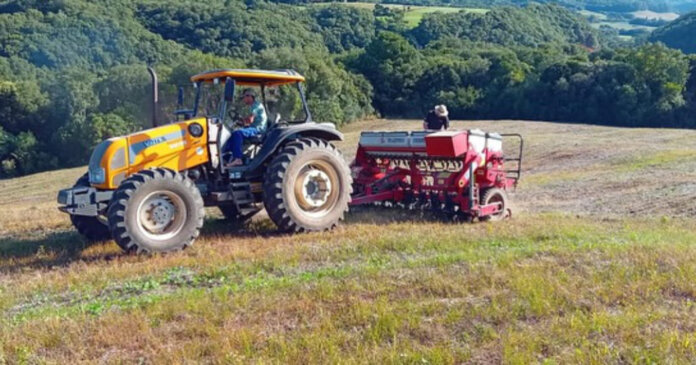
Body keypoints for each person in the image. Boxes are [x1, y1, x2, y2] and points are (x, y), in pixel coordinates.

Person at [225, 88, 267, 167]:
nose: (244, 100)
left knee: (237, 133)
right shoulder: (253, 106)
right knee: (231, 134)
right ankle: (227, 157)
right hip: (253, 127)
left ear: (249, 97)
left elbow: (250, 120)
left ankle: (238, 159)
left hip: (258, 129)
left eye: (244, 97)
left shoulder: (256, 106)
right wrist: (240, 121)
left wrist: (242, 121)